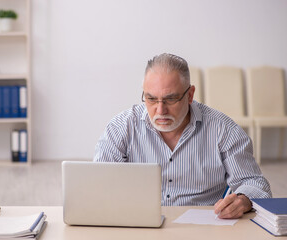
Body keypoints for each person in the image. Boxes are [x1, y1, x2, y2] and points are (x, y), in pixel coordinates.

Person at [94, 53, 272, 219]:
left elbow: (254, 182)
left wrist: (244, 199)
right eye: (151, 99)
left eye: (170, 99)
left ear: (190, 95)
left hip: (203, 229)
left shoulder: (223, 129)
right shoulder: (121, 128)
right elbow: (98, 183)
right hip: (138, 223)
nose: (160, 110)